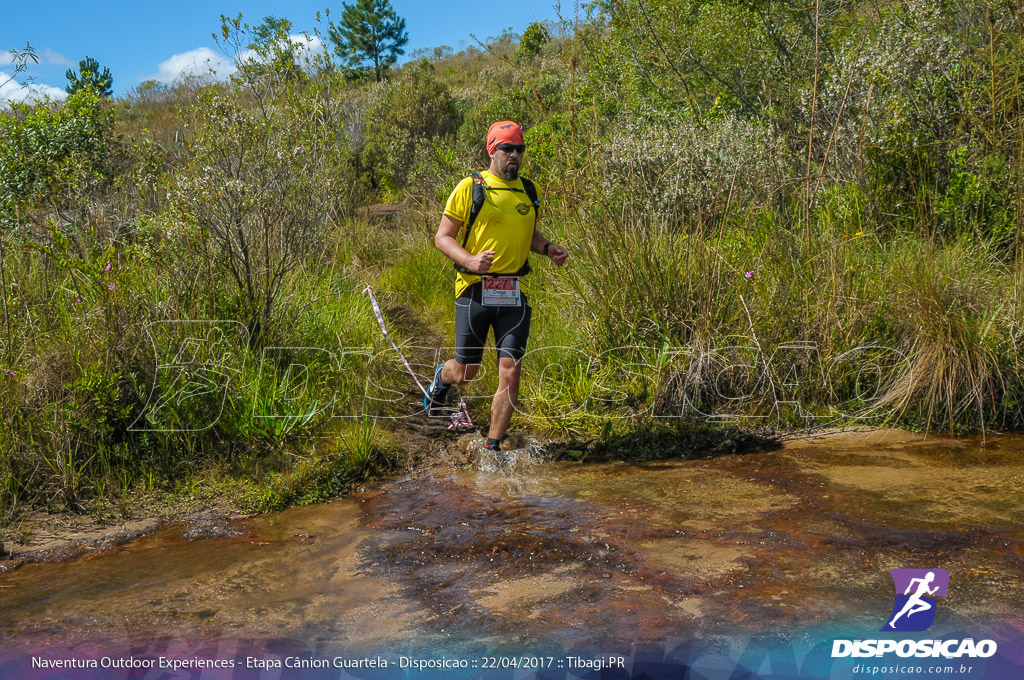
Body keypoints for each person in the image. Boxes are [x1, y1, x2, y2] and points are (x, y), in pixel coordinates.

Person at [426, 120, 568, 451]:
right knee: (466, 372)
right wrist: (470, 260)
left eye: (519, 148)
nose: (514, 155)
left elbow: (526, 233)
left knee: (510, 372)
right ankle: (441, 380)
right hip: (474, 289)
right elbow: (442, 237)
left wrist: (548, 248)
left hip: (512, 293)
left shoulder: (529, 191)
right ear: (492, 150)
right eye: (507, 148)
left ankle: (492, 447)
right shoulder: (471, 187)